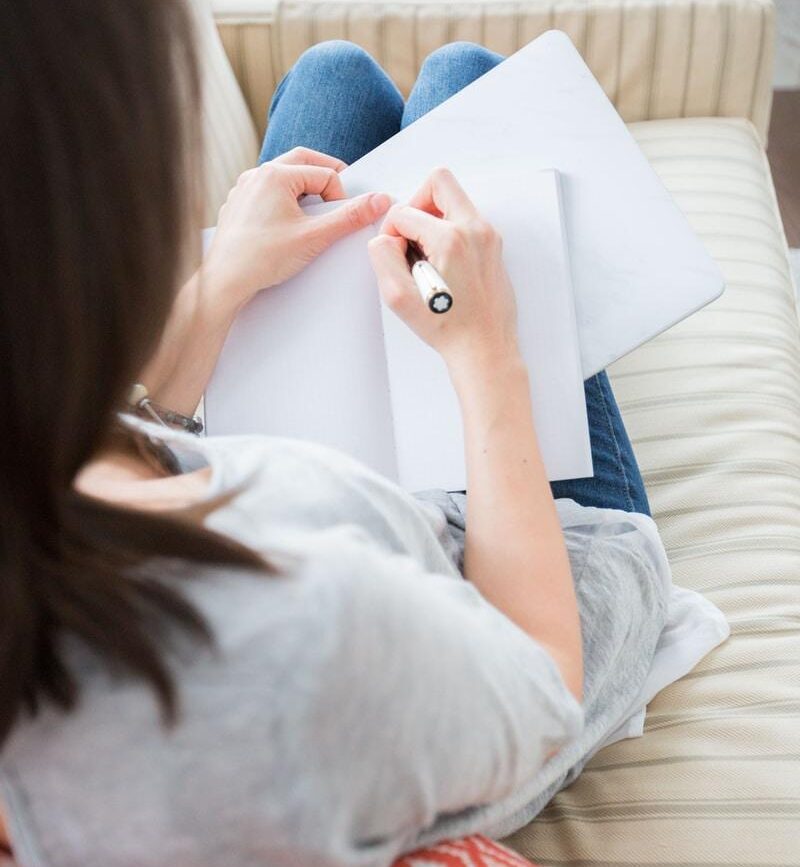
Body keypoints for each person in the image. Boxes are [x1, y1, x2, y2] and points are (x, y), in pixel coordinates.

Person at [0, 2, 673, 865]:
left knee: (334, 77)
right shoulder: (300, 630)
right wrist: (486, 348)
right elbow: (539, 685)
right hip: (529, 580)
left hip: (325, 499)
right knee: (463, 81)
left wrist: (220, 285)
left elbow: (97, 446)